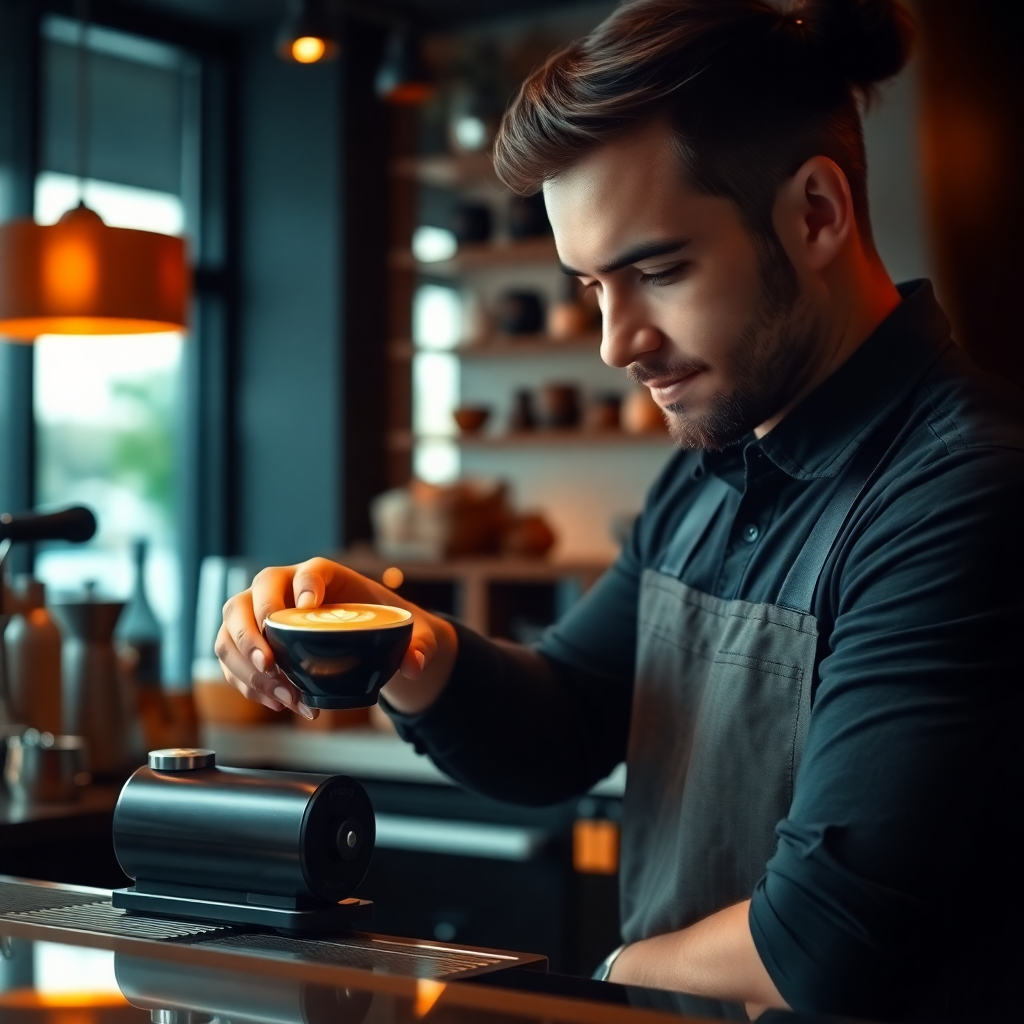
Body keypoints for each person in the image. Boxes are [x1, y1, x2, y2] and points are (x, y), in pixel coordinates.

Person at [216, 0, 1024, 1019]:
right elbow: (565, 718)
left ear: (816, 213)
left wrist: (610, 979)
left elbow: (824, 939)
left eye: (656, 271)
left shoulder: (961, 488)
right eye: (593, 284)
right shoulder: (714, 461)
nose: (615, 340)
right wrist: (400, 644)